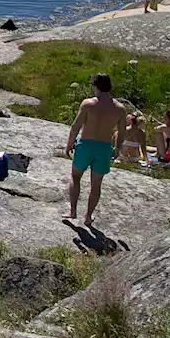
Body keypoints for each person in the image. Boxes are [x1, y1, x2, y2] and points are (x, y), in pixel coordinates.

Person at [64, 74, 129, 227]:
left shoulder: (88, 104)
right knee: (96, 185)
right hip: (104, 147)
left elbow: (76, 126)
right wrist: (117, 148)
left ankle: (73, 211)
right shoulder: (120, 109)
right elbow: (122, 132)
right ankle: (88, 216)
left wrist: (69, 144)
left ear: (95, 85)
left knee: (75, 177)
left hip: (85, 145)